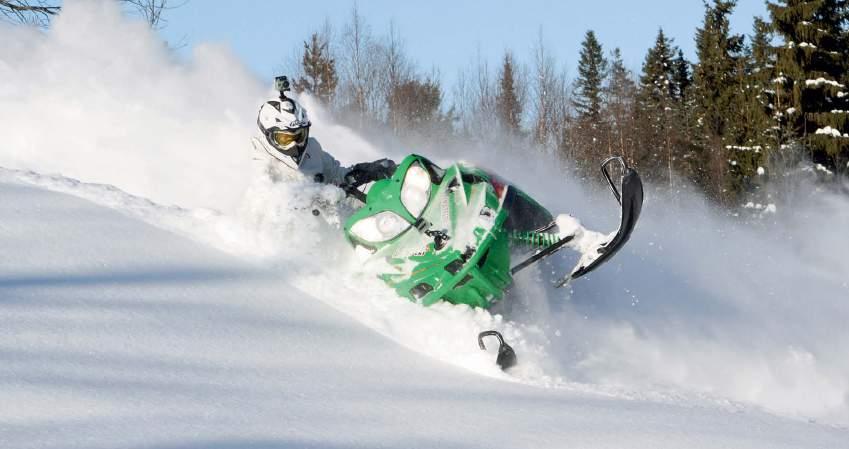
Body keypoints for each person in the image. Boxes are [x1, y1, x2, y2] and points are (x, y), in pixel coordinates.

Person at [252, 75, 395, 193]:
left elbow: (337, 175)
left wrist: (365, 172)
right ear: (267, 135)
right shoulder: (260, 163)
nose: (294, 144)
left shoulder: (312, 149)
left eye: (299, 136)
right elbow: (262, 207)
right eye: (284, 139)